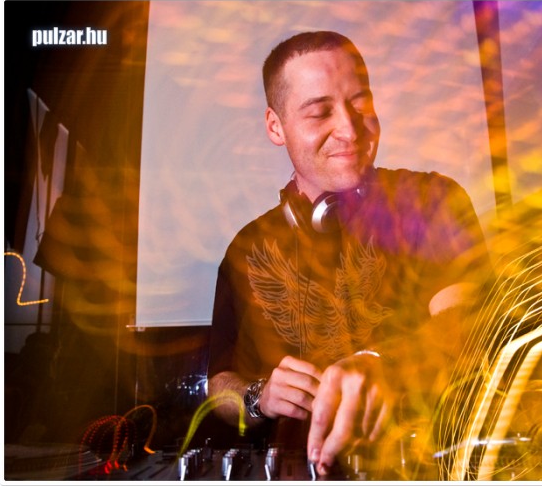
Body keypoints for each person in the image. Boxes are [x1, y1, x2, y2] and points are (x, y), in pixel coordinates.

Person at [207, 30, 493, 479]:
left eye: (360, 102)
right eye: (320, 111)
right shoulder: (246, 248)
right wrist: (258, 398)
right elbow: (219, 383)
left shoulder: (432, 200)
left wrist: (386, 365)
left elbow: (466, 322)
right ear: (276, 127)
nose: (349, 127)